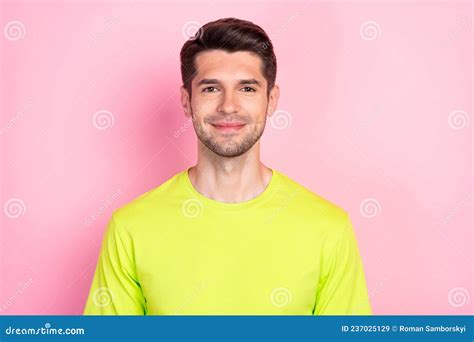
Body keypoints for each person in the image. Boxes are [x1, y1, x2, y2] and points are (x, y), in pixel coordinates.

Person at [83, 17, 372, 315]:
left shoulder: (329, 229)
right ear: (186, 100)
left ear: (271, 100)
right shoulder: (130, 228)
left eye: (247, 89)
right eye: (211, 89)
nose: (228, 106)